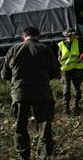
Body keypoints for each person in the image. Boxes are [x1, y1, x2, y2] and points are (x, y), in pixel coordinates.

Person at [1, 26, 60, 160]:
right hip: (42, 92)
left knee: (21, 126)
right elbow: (55, 72)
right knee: (44, 125)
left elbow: (4, 74)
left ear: (23, 37)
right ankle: (44, 155)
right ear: (38, 37)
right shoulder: (45, 49)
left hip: (20, 93)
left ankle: (23, 156)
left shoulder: (13, 49)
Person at [58, 28, 83, 114]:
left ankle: (76, 105)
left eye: (72, 35)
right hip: (66, 70)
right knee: (67, 88)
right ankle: (66, 107)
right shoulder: (61, 45)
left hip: (76, 69)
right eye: (69, 35)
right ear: (65, 36)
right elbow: (59, 57)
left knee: (76, 88)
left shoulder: (79, 43)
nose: (71, 37)